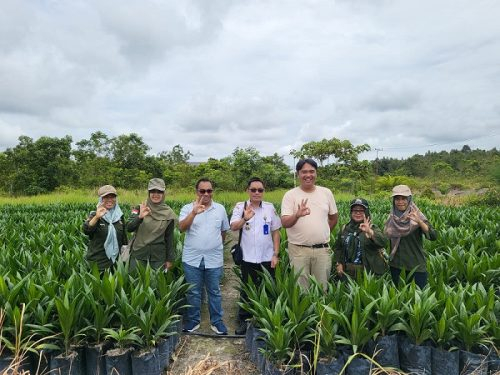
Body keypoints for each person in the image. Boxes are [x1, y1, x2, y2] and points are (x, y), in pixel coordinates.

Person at [230, 177, 281, 335]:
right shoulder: (241, 207)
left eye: (260, 190)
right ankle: (244, 320)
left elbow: (276, 231)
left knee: (267, 288)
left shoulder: (270, 208)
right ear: (248, 191)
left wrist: (276, 254)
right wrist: (245, 218)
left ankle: (264, 320)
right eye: (253, 190)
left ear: (264, 191)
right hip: (248, 257)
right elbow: (233, 227)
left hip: (267, 257)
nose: (257, 192)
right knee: (247, 289)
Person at [179, 178, 230, 335]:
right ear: (196, 192)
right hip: (192, 258)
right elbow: (181, 228)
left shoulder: (220, 209)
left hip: (213, 259)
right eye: (202, 191)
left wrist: (212, 245)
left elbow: (223, 232)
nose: (206, 194)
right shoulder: (187, 208)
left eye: (209, 190)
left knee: (214, 291)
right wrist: (193, 213)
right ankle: (193, 321)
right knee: (193, 291)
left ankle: (217, 321)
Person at [281, 158, 338, 289]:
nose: (308, 175)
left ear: (316, 173)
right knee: (302, 291)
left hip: (322, 250)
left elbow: (334, 217)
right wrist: (297, 215)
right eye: (304, 172)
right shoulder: (290, 195)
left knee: (322, 289)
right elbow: (284, 222)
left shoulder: (326, 193)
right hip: (298, 251)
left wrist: (322, 233)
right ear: (298, 174)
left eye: (312, 171)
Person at [384, 185, 437, 288]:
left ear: (409, 199)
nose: (400, 202)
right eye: (397, 199)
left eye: (404, 198)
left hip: (416, 265)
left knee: (418, 300)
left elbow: (433, 236)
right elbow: (384, 240)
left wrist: (419, 222)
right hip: (396, 265)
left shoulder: (417, 216)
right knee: (400, 298)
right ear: (393, 201)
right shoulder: (391, 219)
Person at [127, 178, 178, 271]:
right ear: (148, 193)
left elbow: (169, 238)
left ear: (163, 194)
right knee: (135, 283)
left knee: (155, 285)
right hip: (139, 254)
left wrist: (169, 259)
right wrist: (140, 217)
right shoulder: (139, 208)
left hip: (158, 257)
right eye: (152, 191)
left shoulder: (168, 213)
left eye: (159, 192)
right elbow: (129, 227)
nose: (156, 194)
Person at [334, 198, 388, 279]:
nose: (358, 213)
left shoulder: (373, 228)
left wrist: (369, 232)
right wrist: (338, 263)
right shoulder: (345, 229)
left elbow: (383, 242)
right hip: (348, 272)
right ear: (351, 212)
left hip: (369, 273)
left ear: (366, 212)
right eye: (355, 211)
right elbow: (338, 248)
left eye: (361, 211)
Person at [83, 185, 127, 272]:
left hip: (115, 264)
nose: (110, 200)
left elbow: (124, 238)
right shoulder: (94, 215)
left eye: (112, 197)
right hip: (98, 263)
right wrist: (97, 217)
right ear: (101, 199)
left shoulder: (119, 217)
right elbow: (86, 230)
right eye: (106, 197)